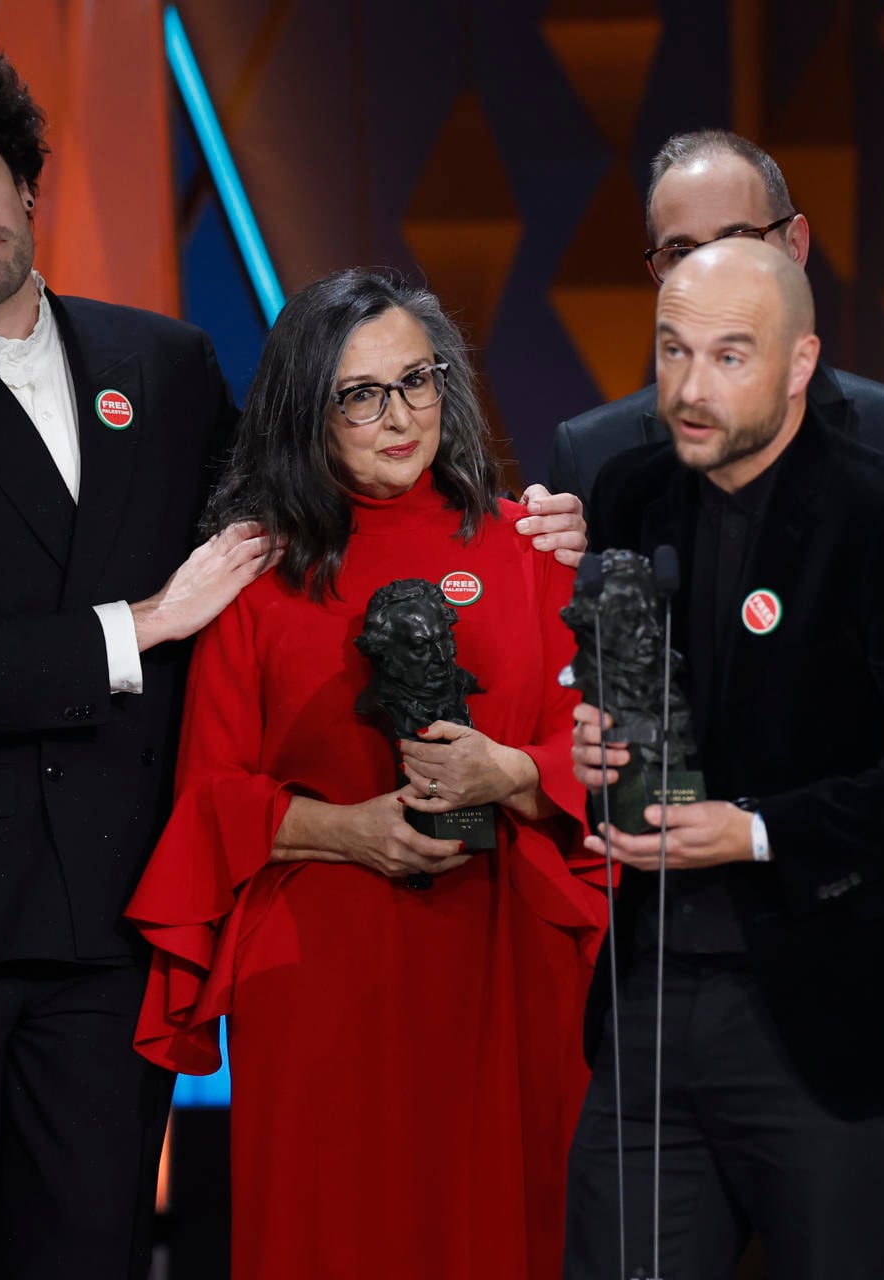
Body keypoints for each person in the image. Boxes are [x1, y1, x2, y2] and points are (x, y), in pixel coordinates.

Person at [0, 21, 589, 1278]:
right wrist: (143, 625)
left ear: (27, 176)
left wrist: (527, 521)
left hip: (113, 908)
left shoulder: (164, 365)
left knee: (95, 1247)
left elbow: (313, 503)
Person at [125, 269, 608, 1280]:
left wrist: (510, 770)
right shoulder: (258, 573)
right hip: (325, 982)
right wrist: (350, 828)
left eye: (419, 380)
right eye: (361, 394)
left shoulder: (530, 547)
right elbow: (209, 798)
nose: (401, 415)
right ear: (309, 410)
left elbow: (604, 763)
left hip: (506, 965)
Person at [565, 239, 884, 1279]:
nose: (690, 386)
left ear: (802, 362)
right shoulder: (633, 493)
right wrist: (599, 740)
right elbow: (637, 689)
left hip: (830, 1002)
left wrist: (761, 828)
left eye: (730, 356)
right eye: (673, 351)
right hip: (651, 988)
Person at [548, 129, 884, 510]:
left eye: (738, 239)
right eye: (680, 252)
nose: (711, 270)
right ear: (659, 276)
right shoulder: (591, 458)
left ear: (795, 245)